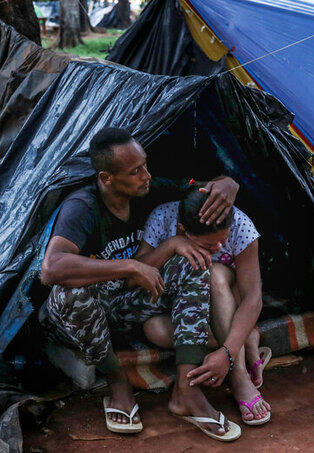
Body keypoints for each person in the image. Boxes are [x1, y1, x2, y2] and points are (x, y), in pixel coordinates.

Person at [40, 127, 244, 441]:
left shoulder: (150, 189)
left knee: (194, 259)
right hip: (83, 317)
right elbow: (51, 268)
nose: (146, 175)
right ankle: (117, 381)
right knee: (71, 292)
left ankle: (187, 390)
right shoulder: (83, 207)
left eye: (145, 165)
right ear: (107, 178)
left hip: (131, 305)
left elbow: (205, 188)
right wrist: (130, 265)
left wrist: (228, 182)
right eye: (136, 171)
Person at [136, 189, 271, 426]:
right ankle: (246, 337)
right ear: (182, 230)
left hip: (228, 299)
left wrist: (227, 354)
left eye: (223, 240)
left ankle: (238, 375)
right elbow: (134, 271)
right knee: (154, 329)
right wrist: (171, 245)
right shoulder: (162, 219)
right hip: (191, 313)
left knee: (215, 272)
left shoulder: (241, 225)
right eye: (209, 244)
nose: (219, 247)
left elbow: (253, 297)